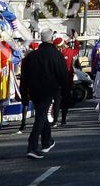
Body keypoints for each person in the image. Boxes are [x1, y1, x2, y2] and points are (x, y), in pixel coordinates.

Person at [19, 30, 69, 159]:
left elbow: (24, 77)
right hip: (48, 90)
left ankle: (47, 141)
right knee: (41, 117)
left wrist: (24, 94)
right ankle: (32, 146)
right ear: (51, 39)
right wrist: (66, 91)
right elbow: (63, 75)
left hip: (34, 90)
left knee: (41, 115)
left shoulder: (31, 56)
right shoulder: (56, 55)